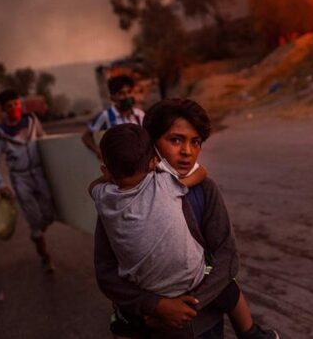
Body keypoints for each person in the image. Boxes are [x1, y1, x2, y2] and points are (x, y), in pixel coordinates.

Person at [95, 99, 280, 339]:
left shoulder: (204, 190)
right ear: (151, 145)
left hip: (203, 326)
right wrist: (155, 306)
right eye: (175, 140)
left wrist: (192, 304)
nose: (187, 151)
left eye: (196, 142)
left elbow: (227, 257)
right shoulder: (119, 201)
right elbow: (106, 272)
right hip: (148, 325)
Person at [0, 89, 56, 272]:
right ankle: (44, 256)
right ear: (3, 109)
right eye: (9, 106)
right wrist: (0, 184)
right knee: (34, 218)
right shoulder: (1, 132)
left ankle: (37, 233)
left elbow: (44, 140)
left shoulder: (32, 120)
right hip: (20, 178)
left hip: (38, 172)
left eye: (16, 103)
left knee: (49, 213)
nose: (14, 108)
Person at [82, 75, 145, 159]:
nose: (127, 97)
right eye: (121, 93)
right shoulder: (106, 115)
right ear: (113, 98)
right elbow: (86, 136)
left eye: (129, 92)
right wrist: (97, 150)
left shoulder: (139, 114)